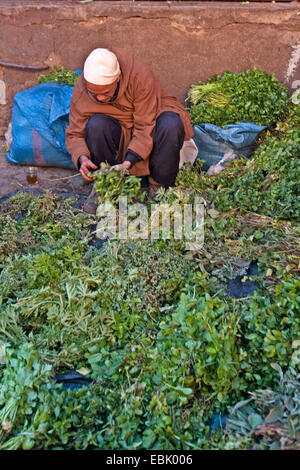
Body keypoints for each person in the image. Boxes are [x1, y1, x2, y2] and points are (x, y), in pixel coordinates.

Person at [65, 48, 195, 213]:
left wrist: (130, 160)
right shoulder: (82, 89)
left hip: (149, 118)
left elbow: (144, 126)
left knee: (171, 124)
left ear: (118, 79)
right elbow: (75, 132)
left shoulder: (139, 77)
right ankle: (105, 185)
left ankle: (159, 188)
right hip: (119, 126)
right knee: (96, 125)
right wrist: (82, 158)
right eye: (94, 94)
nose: (100, 99)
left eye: (105, 93)